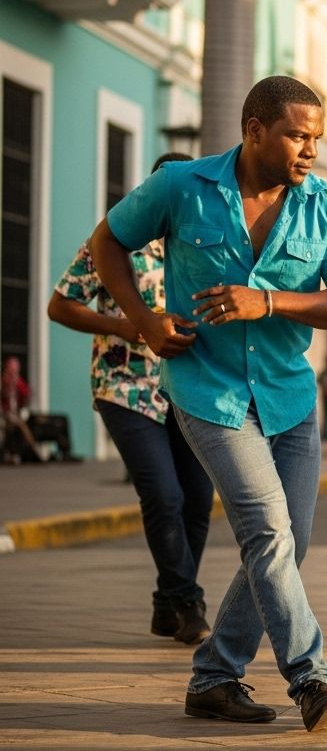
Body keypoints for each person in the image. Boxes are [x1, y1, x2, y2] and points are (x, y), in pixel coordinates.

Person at [90, 75, 327, 732]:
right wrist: (141, 319)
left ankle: (214, 677)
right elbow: (110, 242)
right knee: (269, 531)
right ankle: (312, 678)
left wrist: (270, 301)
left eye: (317, 139)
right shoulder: (182, 187)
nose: (311, 150)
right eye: (297, 135)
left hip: (290, 397)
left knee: (287, 543)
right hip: (207, 389)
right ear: (253, 130)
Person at [48, 151, 216, 645]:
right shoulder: (117, 240)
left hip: (189, 389)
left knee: (198, 500)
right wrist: (126, 324)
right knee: (163, 494)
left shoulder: (203, 247)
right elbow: (61, 305)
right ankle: (188, 603)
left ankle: (167, 605)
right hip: (124, 387)